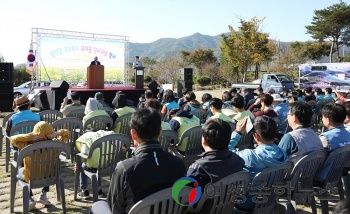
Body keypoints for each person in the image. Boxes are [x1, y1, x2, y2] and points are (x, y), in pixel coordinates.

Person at [106, 108, 186, 213]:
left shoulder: (125, 169)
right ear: (160, 131)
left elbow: (114, 208)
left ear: (133, 134)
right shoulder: (178, 164)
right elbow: (184, 200)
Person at [231, 115, 288, 210]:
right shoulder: (282, 153)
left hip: (247, 202)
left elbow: (223, 153)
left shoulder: (250, 156)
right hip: (270, 198)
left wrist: (238, 132)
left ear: (256, 136)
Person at [10, 121, 70, 211]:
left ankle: (29, 199)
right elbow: (67, 134)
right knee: (46, 167)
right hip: (49, 177)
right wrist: (57, 133)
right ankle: (43, 195)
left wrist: (30, 136)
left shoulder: (26, 145)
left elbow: (13, 139)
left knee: (20, 172)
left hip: (31, 177)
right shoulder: (56, 144)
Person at [187, 118, 244, 188]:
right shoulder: (239, 160)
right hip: (232, 197)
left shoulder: (198, 169)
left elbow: (187, 195)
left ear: (204, 141)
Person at [315, 104, 350, 182]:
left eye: (322, 117)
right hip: (341, 171)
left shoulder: (325, 138)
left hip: (324, 175)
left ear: (328, 120)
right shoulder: (348, 133)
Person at [75, 130, 115, 199]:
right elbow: (112, 133)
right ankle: (98, 190)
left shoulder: (85, 141)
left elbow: (84, 155)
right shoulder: (105, 136)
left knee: (83, 166)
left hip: (92, 167)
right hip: (106, 165)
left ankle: (84, 191)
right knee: (98, 163)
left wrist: (78, 163)